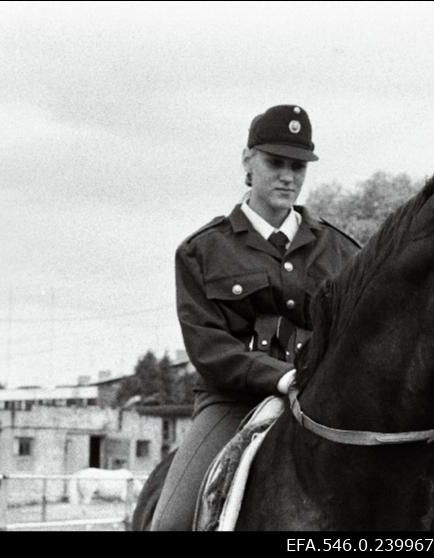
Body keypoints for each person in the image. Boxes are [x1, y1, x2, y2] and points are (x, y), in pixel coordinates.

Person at [151, 104, 360, 530]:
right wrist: (281, 376)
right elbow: (208, 347)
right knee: (172, 522)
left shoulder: (343, 251)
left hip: (327, 405)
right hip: (233, 403)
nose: (288, 176)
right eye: (275, 162)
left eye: (298, 166)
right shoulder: (201, 251)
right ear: (248, 160)